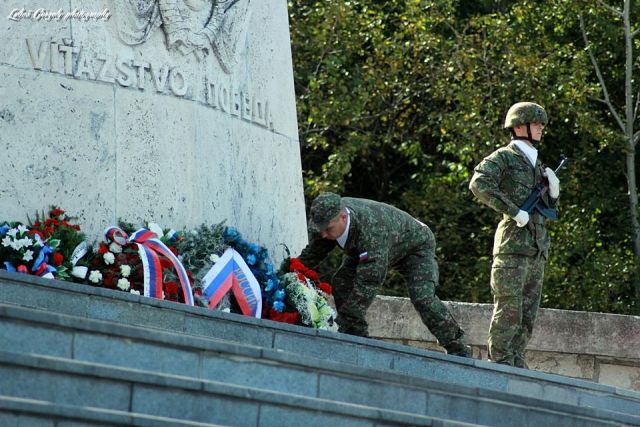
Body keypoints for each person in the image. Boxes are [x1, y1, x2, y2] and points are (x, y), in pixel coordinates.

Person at [293, 192, 472, 357]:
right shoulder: (327, 222)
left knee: (422, 297)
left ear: (343, 217)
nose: (323, 235)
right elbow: (313, 254)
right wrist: (290, 273)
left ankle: (458, 348)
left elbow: (369, 281)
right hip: (372, 246)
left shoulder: (371, 231)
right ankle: (355, 335)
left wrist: (347, 317)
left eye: (328, 229)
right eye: (320, 229)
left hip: (415, 246)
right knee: (342, 281)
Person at [469, 102, 560, 368]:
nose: (541, 128)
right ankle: (500, 364)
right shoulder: (505, 157)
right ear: (519, 127)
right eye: (536, 123)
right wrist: (513, 211)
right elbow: (479, 183)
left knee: (527, 315)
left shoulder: (537, 163)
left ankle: (517, 364)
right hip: (512, 247)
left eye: (542, 124)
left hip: (536, 248)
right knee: (509, 311)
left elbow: (545, 209)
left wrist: (554, 193)